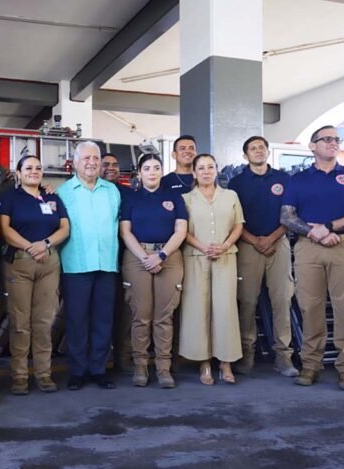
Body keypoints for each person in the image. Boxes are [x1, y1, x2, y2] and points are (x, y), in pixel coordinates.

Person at [280, 125, 344, 391]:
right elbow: (286, 216)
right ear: (312, 146)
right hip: (308, 248)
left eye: (336, 139)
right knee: (310, 307)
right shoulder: (298, 180)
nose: (333, 143)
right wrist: (315, 232)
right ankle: (310, 365)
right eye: (326, 139)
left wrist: (329, 227)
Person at [0, 155, 70, 394]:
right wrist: (31, 247)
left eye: (38, 168)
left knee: (44, 321)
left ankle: (44, 373)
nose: (34, 171)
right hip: (20, 262)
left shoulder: (52, 197)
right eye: (28, 168)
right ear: (18, 173)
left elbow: (65, 228)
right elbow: (5, 230)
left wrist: (46, 243)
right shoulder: (10, 198)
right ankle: (19, 376)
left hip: (49, 262)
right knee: (20, 322)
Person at [228, 136, 297, 377]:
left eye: (261, 147)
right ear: (245, 155)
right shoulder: (236, 183)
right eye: (252, 148)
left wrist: (272, 237)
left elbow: (292, 215)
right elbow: (233, 219)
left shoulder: (283, 179)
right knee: (247, 302)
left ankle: (283, 357)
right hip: (249, 245)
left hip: (278, 243)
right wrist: (255, 240)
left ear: (268, 151)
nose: (258, 151)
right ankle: (247, 355)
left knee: (282, 300)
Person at [57, 141, 121, 391]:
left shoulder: (112, 191)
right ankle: (77, 371)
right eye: (86, 158)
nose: (92, 162)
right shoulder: (64, 192)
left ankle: (98, 369)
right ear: (75, 162)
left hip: (106, 264)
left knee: (103, 320)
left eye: (96, 158)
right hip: (76, 265)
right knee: (76, 320)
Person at [120, 153, 187, 388]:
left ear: (161, 171)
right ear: (140, 172)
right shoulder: (131, 198)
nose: (152, 172)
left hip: (168, 257)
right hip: (137, 257)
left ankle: (163, 367)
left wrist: (160, 255)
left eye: (156, 168)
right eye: (147, 168)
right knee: (141, 315)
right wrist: (144, 257)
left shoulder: (174, 197)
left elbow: (180, 230)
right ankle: (140, 365)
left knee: (164, 316)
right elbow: (125, 231)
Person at [179, 153, 244, 385]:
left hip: (226, 257)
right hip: (196, 257)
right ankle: (204, 362)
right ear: (194, 173)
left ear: (217, 170)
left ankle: (225, 362)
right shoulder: (186, 198)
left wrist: (225, 245)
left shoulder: (231, 196)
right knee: (198, 310)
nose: (206, 171)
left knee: (225, 309)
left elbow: (238, 225)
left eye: (210, 167)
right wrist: (203, 247)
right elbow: (181, 230)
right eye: (201, 168)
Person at [102, 152, 134, 374]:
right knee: (102, 312)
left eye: (115, 164)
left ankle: (124, 358)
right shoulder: (90, 192)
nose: (111, 168)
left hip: (127, 258)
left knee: (126, 312)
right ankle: (100, 361)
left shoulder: (129, 194)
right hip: (101, 261)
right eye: (106, 164)